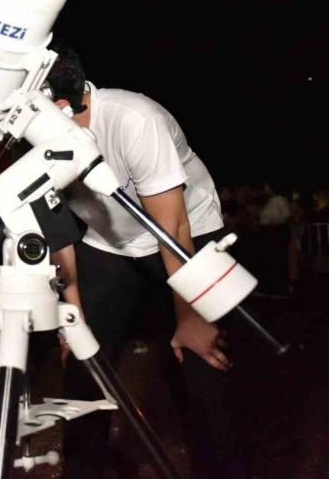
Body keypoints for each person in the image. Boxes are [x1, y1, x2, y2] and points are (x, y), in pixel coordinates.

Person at [46, 44, 247, 479]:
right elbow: (57, 228)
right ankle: (83, 468)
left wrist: (190, 317)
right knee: (84, 366)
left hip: (189, 233)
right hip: (108, 243)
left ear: (59, 106)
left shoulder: (134, 120)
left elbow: (171, 229)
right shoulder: (39, 139)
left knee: (203, 361)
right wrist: (72, 309)